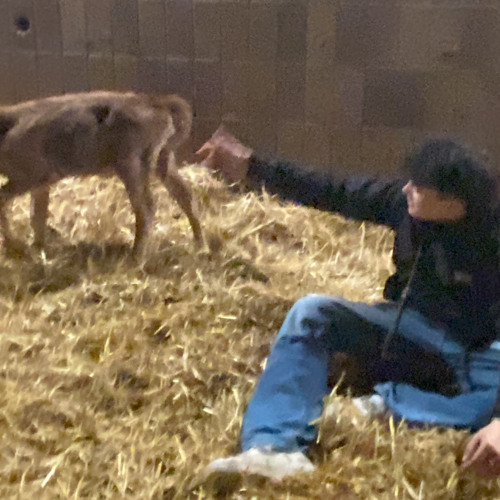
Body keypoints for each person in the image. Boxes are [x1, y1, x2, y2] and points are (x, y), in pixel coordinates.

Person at [196, 127, 500, 482]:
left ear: (450, 202)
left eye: (418, 188)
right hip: (411, 327)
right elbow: (335, 189)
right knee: (312, 312)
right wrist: (253, 167)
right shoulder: (403, 204)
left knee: (487, 401)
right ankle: (275, 447)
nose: (406, 189)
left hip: (480, 347)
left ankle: (384, 405)